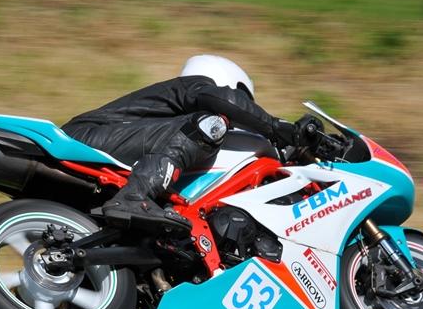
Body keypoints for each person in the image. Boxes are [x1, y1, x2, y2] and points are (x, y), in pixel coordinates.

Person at [60, 54, 313, 234]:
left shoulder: (166, 119)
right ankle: (134, 198)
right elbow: (223, 100)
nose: (241, 120)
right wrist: (278, 128)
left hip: (95, 148)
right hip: (85, 138)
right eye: (244, 103)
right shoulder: (195, 87)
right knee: (210, 124)